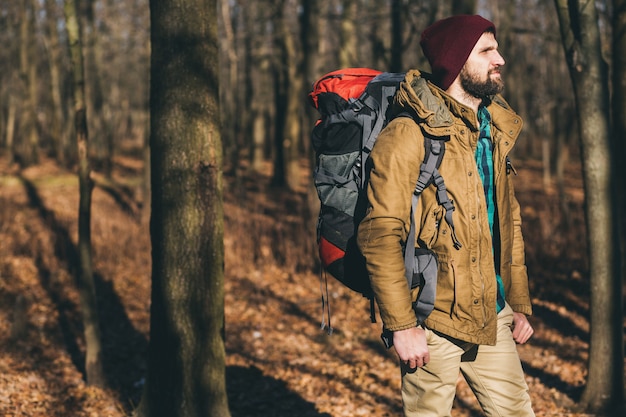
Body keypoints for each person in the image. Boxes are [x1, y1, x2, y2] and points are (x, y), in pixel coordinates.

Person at [357, 15, 535, 416]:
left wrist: (517, 300)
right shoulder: (409, 132)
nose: (500, 59)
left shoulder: (492, 129)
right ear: (456, 62)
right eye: (487, 50)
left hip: (492, 309)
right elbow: (380, 232)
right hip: (433, 319)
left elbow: (509, 221)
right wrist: (402, 326)